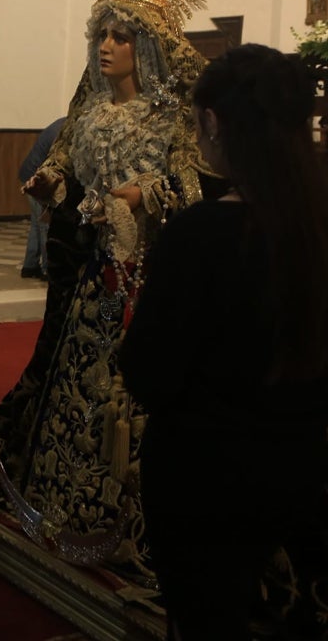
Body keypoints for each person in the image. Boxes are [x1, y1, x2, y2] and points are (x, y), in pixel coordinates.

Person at [0, 0, 237, 582]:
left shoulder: (170, 117)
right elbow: (58, 178)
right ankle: (65, 505)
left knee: (129, 399)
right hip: (88, 279)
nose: (107, 45)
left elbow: (198, 189)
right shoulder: (84, 115)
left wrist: (150, 197)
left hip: (148, 281)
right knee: (73, 390)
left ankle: (134, 523)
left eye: (120, 35)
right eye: (101, 34)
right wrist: (48, 191)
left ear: (145, 46)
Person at [120, 46, 328, 640]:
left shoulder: (201, 234)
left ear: (212, 122)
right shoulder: (316, 223)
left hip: (206, 479)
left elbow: (149, 371)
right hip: (301, 467)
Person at [16, 118, 65, 280]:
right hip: (35, 179)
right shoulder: (62, 130)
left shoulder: (62, 124)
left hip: (31, 175)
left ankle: (29, 266)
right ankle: (46, 269)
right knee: (44, 224)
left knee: (37, 224)